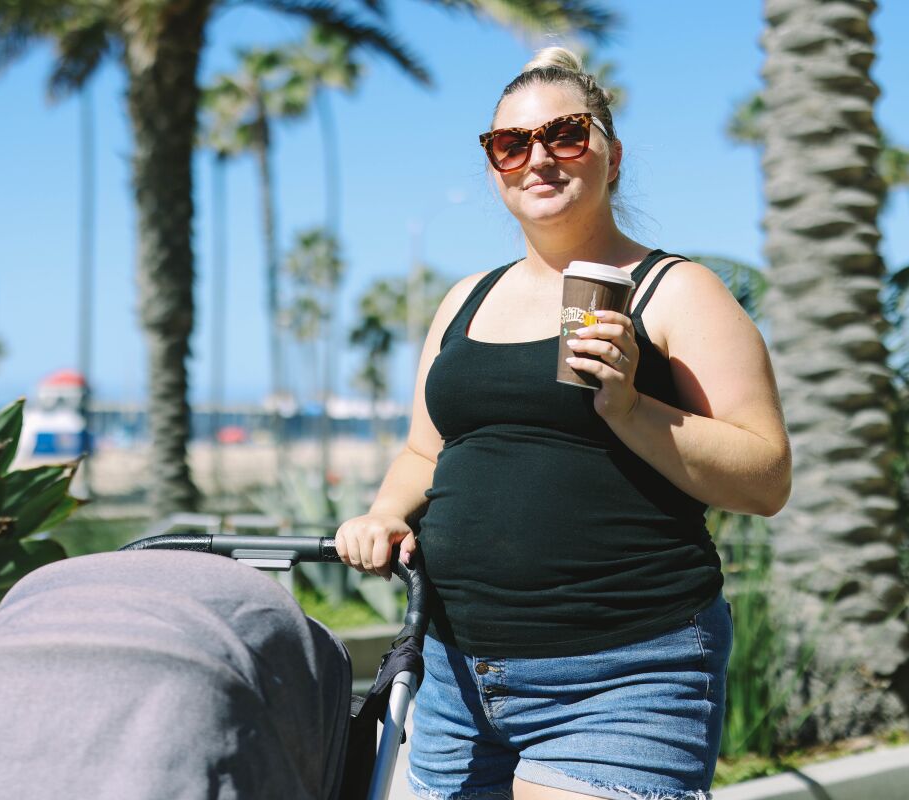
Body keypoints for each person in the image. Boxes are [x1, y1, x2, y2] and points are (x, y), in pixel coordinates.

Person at [334, 47, 791, 800]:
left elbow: (767, 477)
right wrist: (383, 515)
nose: (537, 159)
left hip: (624, 676)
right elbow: (427, 450)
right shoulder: (464, 300)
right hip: (455, 678)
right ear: (493, 168)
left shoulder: (677, 291)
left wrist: (630, 405)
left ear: (612, 156)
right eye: (511, 145)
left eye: (566, 135)